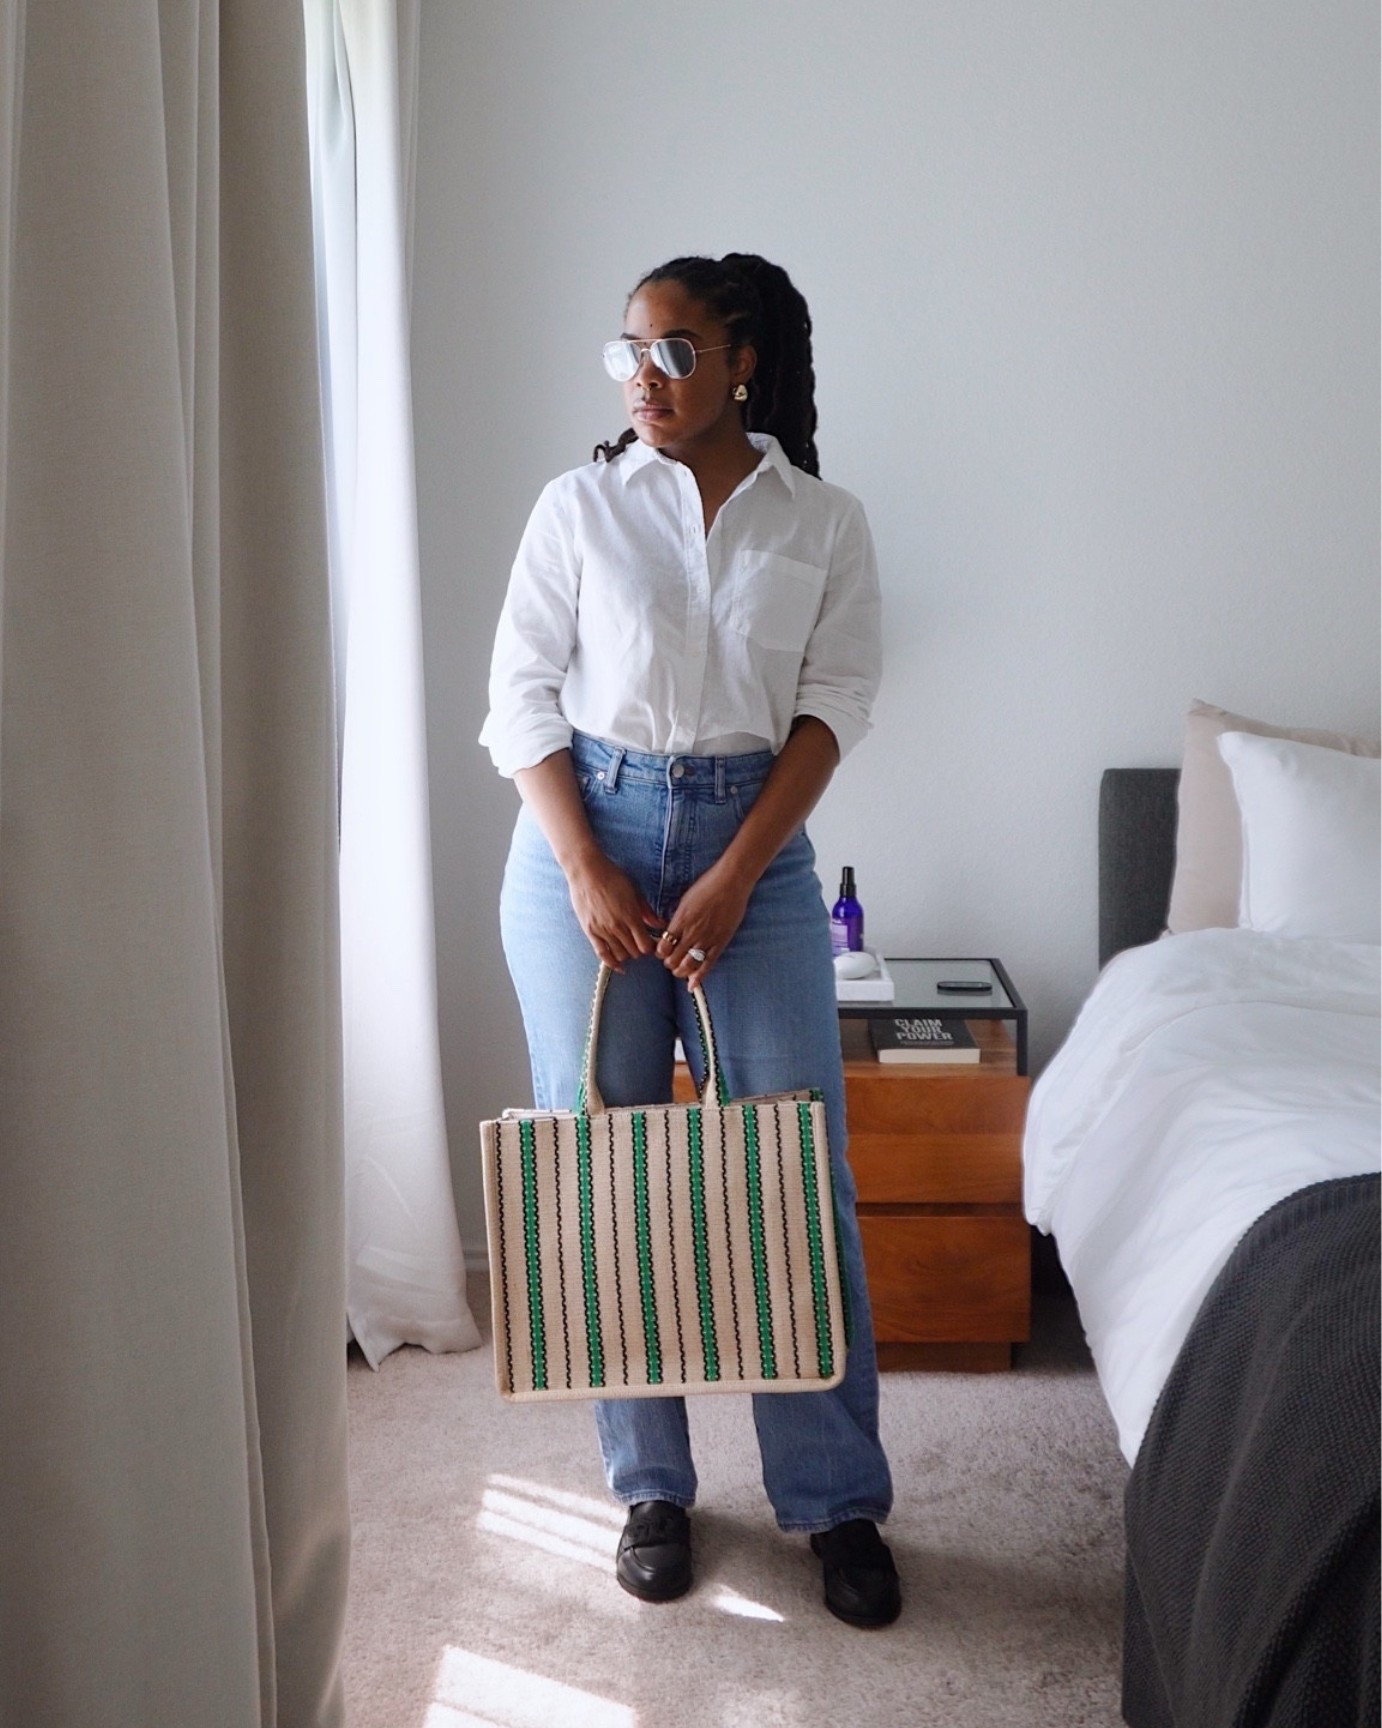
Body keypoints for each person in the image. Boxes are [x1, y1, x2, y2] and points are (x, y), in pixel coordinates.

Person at [479, 252, 898, 1628]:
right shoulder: (577, 506)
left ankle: (833, 1500)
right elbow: (519, 698)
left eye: (670, 350)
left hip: (753, 852)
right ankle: (649, 1485)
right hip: (580, 840)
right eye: (626, 352)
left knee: (791, 1169)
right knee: (599, 1167)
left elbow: (830, 706)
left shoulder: (822, 521)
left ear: (741, 364)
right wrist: (586, 865)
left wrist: (736, 871)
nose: (640, 379)